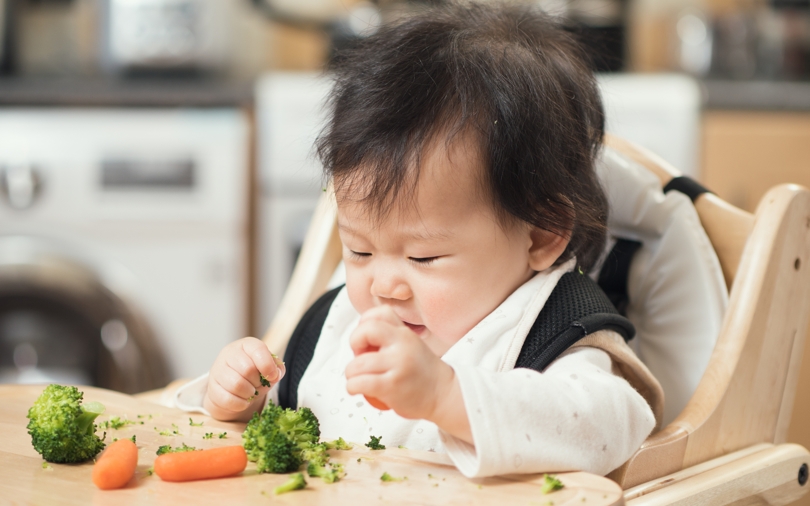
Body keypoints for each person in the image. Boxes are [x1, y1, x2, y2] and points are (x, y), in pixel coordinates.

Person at [187, 1, 663, 478]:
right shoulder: (337, 328)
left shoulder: (555, 333)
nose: (384, 287)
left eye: (424, 256)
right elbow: (291, 421)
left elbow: (608, 426)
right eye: (359, 251)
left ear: (541, 234)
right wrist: (241, 399)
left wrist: (445, 396)